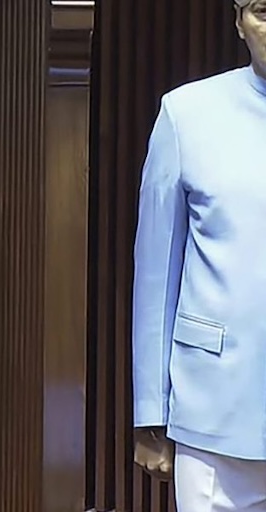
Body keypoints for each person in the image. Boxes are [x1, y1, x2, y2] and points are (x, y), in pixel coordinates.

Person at [132, 0, 266, 510]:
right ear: (238, 22)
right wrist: (151, 413)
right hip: (213, 412)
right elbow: (156, 275)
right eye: (263, 11)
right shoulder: (187, 114)